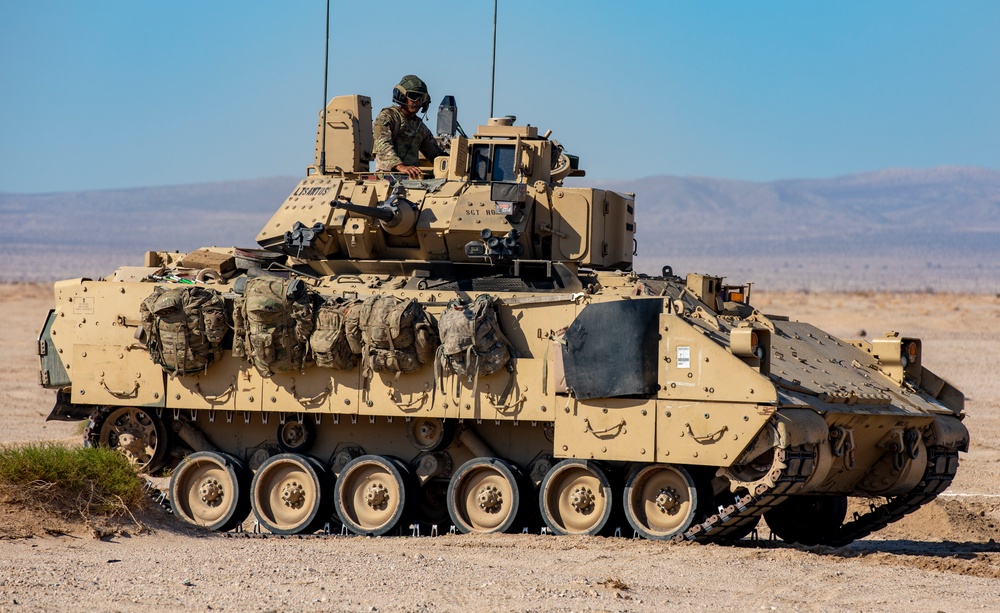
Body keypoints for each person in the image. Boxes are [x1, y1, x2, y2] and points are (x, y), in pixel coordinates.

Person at [373, 75, 447, 179]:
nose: (417, 101)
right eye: (413, 96)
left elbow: (436, 155)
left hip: (411, 179)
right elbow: (382, 145)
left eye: (422, 98)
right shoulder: (388, 117)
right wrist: (400, 166)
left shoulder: (419, 127)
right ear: (402, 96)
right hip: (387, 177)